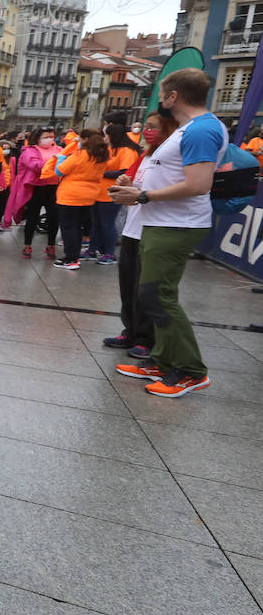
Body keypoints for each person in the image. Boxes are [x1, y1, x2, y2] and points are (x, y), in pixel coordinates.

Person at [108, 68, 226, 397]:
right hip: (161, 221)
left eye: (163, 94)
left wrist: (143, 196)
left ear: (174, 96)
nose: (160, 100)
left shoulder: (201, 130)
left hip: (176, 223)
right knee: (152, 295)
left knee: (157, 296)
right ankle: (162, 360)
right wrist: (135, 186)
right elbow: (174, 176)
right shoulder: (190, 129)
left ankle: (191, 371)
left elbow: (198, 184)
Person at [103, 113, 172, 358]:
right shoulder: (146, 155)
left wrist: (139, 192)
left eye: (153, 127)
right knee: (128, 282)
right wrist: (125, 180)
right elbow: (131, 180)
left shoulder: (170, 158)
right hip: (133, 226)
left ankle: (146, 337)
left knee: (145, 286)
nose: (146, 131)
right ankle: (130, 329)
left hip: (154, 227)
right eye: (146, 126)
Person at [46, 129, 110, 271]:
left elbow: (60, 171)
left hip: (71, 195)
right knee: (77, 227)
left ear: (85, 139)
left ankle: (71, 258)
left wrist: (61, 158)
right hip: (89, 195)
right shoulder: (102, 155)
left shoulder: (80, 155)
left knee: (68, 228)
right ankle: (74, 256)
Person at [88, 122, 141, 264]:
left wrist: (102, 173)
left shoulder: (126, 151)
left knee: (107, 223)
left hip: (112, 193)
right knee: (97, 223)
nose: (104, 137)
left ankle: (110, 253)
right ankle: (92, 250)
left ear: (112, 136)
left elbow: (126, 171)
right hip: (98, 192)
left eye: (106, 135)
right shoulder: (110, 149)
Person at [8, 128, 61, 259]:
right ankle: (27, 245)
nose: (50, 139)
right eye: (47, 136)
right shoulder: (29, 150)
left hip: (53, 187)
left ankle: (51, 246)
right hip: (35, 188)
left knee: (53, 219)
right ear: (38, 138)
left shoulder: (58, 150)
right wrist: (56, 163)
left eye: (52, 136)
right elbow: (36, 166)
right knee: (32, 218)